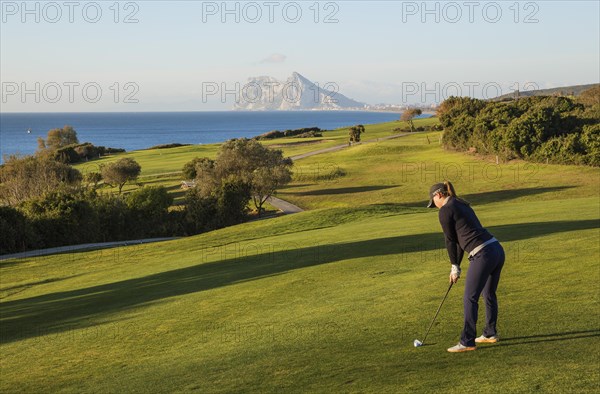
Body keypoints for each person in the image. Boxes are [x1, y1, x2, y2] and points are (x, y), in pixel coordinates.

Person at [427, 181, 505, 353]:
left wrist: (454, 266)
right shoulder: (460, 203)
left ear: (439, 195)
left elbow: (450, 240)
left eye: (434, 202)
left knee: (470, 297)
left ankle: (467, 341)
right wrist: (456, 266)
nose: (435, 206)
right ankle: (490, 333)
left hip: (482, 254)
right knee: (488, 293)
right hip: (496, 249)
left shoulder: (446, 210)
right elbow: (459, 242)